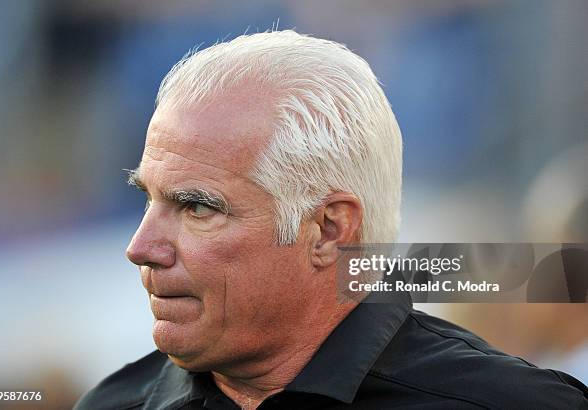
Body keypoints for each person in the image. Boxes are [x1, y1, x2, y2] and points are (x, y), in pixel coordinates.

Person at [75, 30, 587, 409]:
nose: (141, 247)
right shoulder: (108, 403)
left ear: (328, 231)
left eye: (196, 206)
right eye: (149, 199)